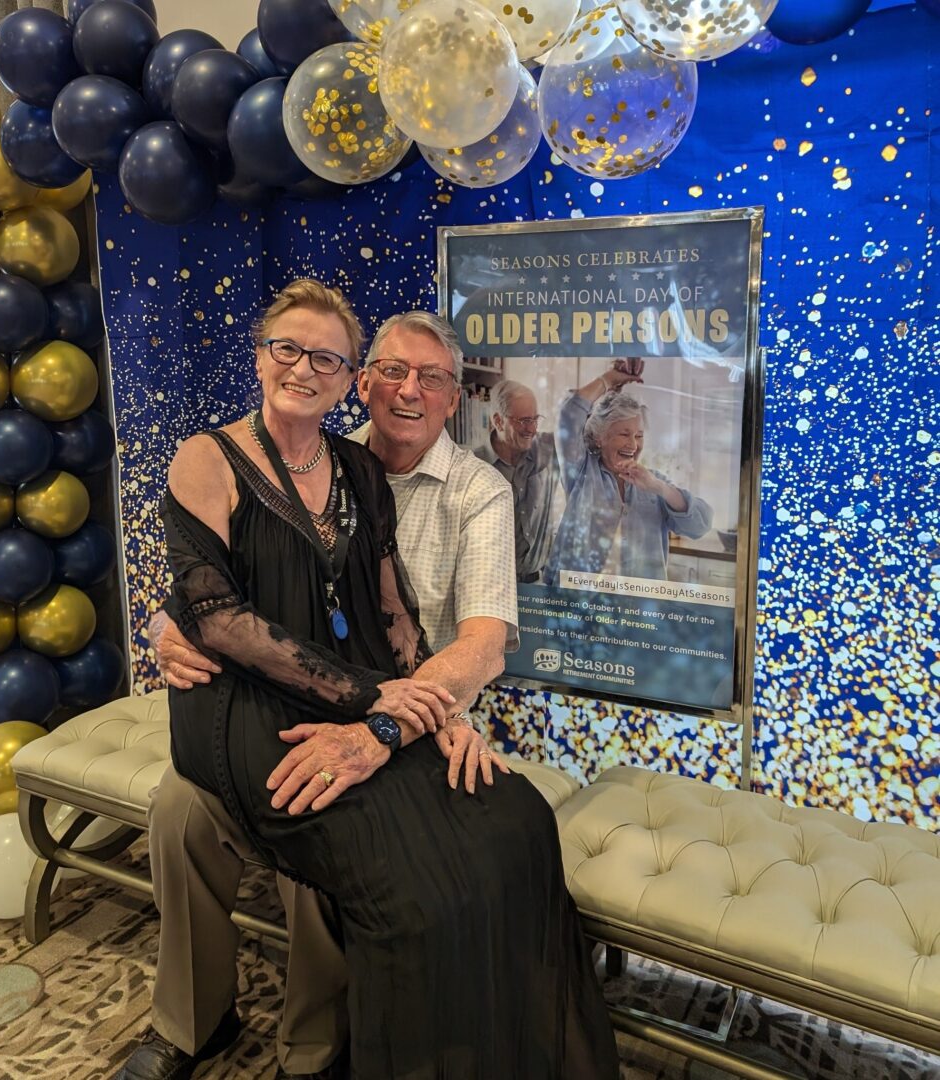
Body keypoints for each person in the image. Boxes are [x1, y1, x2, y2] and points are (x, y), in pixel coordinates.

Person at [119, 284, 618, 1080]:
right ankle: (191, 1023)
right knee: (181, 812)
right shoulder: (303, 445)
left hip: (393, 708)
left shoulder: (472, 490)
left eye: (429, 377)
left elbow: (478, 642)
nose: (408, 390)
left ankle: (320, 1046)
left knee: (402, 828)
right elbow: (208, 587)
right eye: (391, 371)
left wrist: (421, 709)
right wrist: (159, 623)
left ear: (455, 396)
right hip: (275, 704)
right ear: (367, 382)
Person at [543, 359, 713, 584]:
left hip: (637, 611)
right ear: (599, 438)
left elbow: (701, 524)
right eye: (624, 434)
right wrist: (610, 379)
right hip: (579, 607)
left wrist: (660, 488)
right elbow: (570, 414)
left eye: (639, 435)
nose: (633, 445)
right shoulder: (583, 470)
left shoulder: (654, 483)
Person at [475, 379, 561, 582]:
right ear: (498, 421)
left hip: (537, 585)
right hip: (490, 588)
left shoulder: (547, 449)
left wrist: (609, 384)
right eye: (523, 421)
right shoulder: (473, 466)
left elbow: (582, 427)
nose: (531, 429)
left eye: (535, 419)